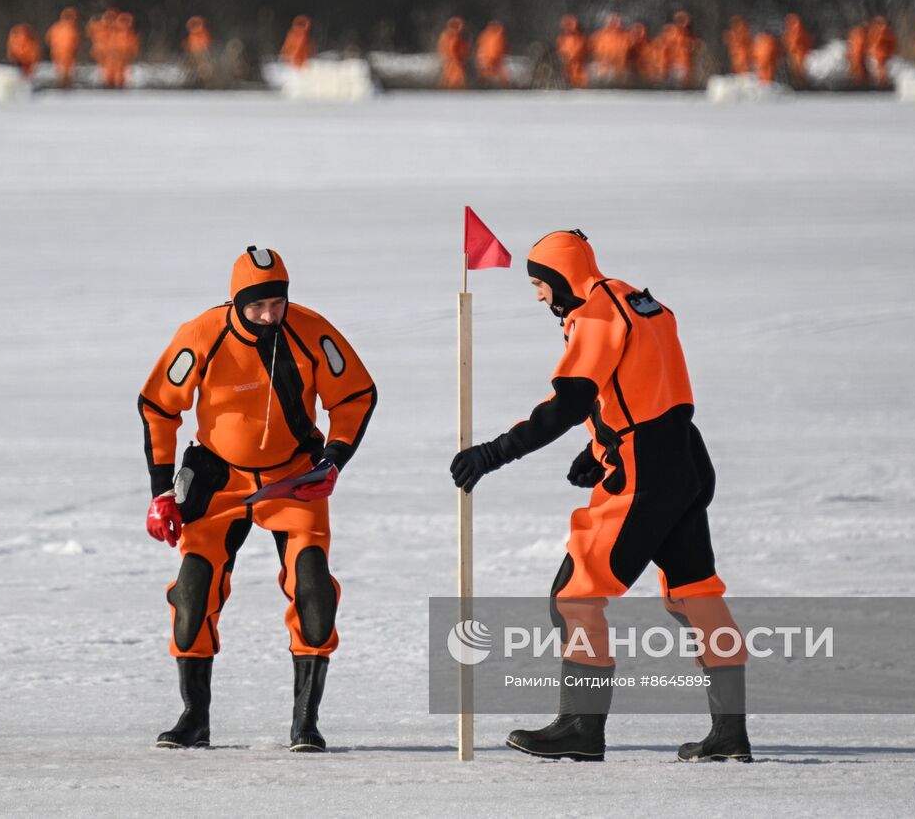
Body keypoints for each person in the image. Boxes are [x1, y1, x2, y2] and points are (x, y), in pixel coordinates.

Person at [450, 230, 749, 763]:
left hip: (647, 471)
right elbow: (645, 378)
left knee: (573, 596)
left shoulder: (593, 314)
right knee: (695, 592)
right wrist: (603, 441)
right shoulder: (637, 298)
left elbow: (566, 403)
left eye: (541, 285)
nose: (540, 297)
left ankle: (580, 729)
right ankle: (730, 734)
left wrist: (494, 453)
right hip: (685, 455)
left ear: (562, 277)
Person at [139, 246, 377, 753]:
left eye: (277, 304)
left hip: (294, 479)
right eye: (257, 307)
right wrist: (162, 491)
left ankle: (305, 724)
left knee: (314, 592)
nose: (270, 315)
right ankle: (193, 718)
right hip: (217, 480)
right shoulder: (202, 335)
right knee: (192, 595)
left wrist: (332, 461)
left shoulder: (311, 331)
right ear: (236, 303)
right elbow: (159, 406)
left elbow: (355, 395)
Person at [46, 8, 81, 89]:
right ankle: (64, 83)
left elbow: (48, 38)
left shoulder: (56, 27)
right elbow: (76, 41)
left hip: (59, 52)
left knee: (62, 69)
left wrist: (54, 47)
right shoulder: (72, 29)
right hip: (66, 52)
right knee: (66, 69)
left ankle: (62, 83)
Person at [555, 14, 589, 88]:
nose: (570, 27)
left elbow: (584, 51)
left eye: (571, 24)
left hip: (579, 68)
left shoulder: (582, 38)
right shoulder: (561, 39)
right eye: (567, 25)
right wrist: (564, 57)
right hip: (566, 68)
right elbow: (560, 52)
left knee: (579, 83)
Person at [437, 16, 469, 89]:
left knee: (450, 78)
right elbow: (449, 49)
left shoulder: (453, 36)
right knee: (454, 79)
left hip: (455, 61)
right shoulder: (451, 36)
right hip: (454, 61)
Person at [475, 20, 509, 86]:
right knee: (486, 75)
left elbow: (504, 47)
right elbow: (480, 46)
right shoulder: (485, 35)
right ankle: (485, 86)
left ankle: (502, 86)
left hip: (497, 59)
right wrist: (481, 57)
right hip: (488, 59)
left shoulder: (500, 36)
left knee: (501, 76)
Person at [865, 16, 897, 86]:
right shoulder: (887, 31)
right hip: (882, 54)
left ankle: (882, 83)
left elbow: (875, 42)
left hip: (880, 54)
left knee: (881, 69)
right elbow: (893, 44)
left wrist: (872, 50)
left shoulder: (880, 31)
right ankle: (882, 81)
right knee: (881, 69)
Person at [781, 13, 812, 85]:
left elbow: (795, 42)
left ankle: (799, 83)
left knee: (798, 69)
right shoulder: (792, 31)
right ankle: (798, 82)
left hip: (797, 53)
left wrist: (791, 48)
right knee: (797, 69)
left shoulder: (797, 31)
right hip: (796, 53)